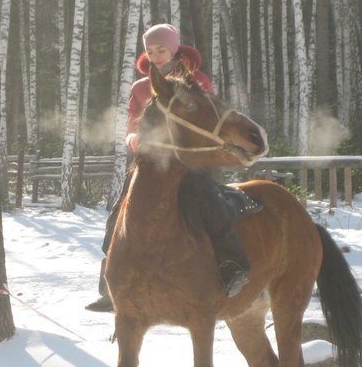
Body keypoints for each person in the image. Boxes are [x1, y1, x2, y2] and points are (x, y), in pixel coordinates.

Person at [85, 24, 251, 312]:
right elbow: (131, 122)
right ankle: (111, 289)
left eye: (161, 50)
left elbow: (208, 117)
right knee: (117, 218)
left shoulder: (196, 80)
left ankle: (233, 271)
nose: (156, 55)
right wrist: (134, 138)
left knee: (211, 207)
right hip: (150, 164)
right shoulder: (140, 88)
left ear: (173, 48)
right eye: (150, 51)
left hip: (191, 162)